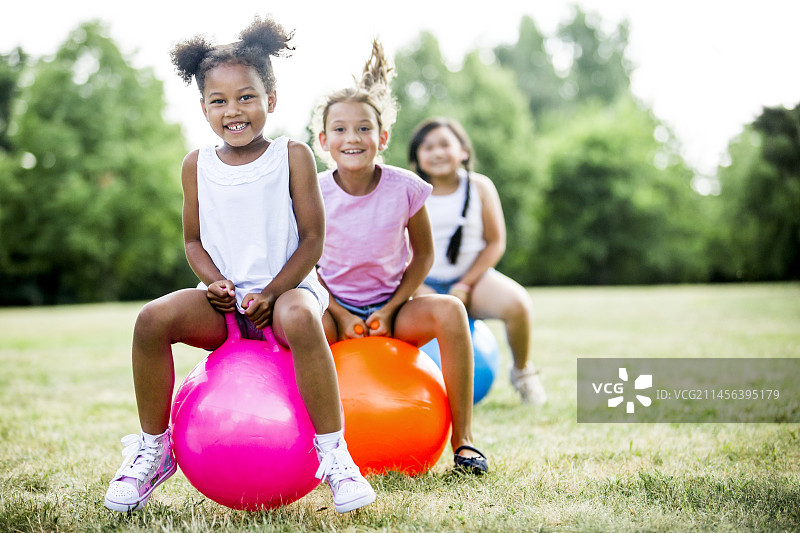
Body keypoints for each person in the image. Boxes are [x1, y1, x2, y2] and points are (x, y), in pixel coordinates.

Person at [103, 17, 375, 514]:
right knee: (150, 319)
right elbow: (193, 241)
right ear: (203, 107)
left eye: (246, 96)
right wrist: (214, 283)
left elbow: (313, 240)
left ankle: (334, 455)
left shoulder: (291, 156)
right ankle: (154, 449)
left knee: (296, 314)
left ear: (271, 98)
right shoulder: (196, 164)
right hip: (227, 305)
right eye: (219, 100)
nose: (234, 110)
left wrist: (272, 292)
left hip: (288, 292)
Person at [310, 40, 488, 475]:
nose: (352, 137)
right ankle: (313, 447)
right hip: (333, 310)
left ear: (382, 137)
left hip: (395, 306)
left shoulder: (406, 186)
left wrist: (391, 309)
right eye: (340, 129)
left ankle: (464, 442)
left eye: (364, 128)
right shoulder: (313, 190)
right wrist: (337, 310)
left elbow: (423, 256)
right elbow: (303, 263)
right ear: (323, 140)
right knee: (301, 322)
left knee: (450, 310)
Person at [408, 117, 547, 406]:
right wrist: (419, 289)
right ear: (417, 157)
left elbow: (495, 242)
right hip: (422, 284)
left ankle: (523, 373)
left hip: (472, 280)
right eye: (427, 147)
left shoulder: (481, 187)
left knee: (518, 304)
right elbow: (399, 249)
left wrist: (464, 284)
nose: (436, 153)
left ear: (464, 151)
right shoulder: (410, 191)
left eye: (445, 144)